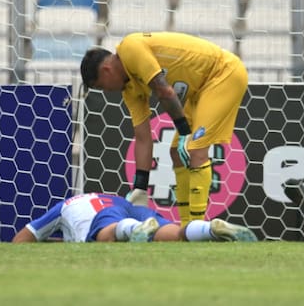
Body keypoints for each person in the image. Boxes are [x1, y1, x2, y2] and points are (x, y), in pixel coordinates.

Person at [79, 32, 248, 227]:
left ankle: (197, 226)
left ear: (107, 70)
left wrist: (185, 134)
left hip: (223, 73)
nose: (107, 92)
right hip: (200, 90)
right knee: (176, 152)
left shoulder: (130, 48)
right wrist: (140, 188)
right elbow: (142, 137)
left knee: (194, 150)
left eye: (102, 87)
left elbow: (164, 90)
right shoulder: (130, 90)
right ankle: (186, 227)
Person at [12, 192, 257, 243]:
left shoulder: (64, 207)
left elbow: (21, 240)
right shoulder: (100, 196)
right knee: (171, 234)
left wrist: (49, 242)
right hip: (126, 204)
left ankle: (131, 229)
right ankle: (209, 230)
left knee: (105, 236)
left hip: (110, 217)